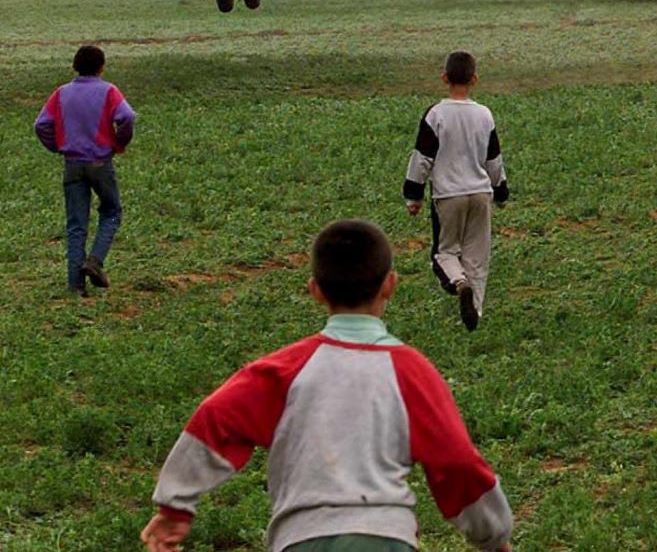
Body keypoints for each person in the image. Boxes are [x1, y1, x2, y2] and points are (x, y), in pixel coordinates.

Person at [140, 219, 514, 552]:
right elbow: (457, 462)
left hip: (301, 537)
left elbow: (214, 420)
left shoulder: (283, 370)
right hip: (386, 537)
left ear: (315, 290)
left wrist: (175, 506)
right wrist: (492, 535)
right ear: (390, 285)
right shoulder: (413, 372)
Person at [403, 51, 509, 332]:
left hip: (449, 195)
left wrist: (413, 195)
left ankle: (460, 284)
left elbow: (422, 158)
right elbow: (493, 159)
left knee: (445, 252)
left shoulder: (436, 114)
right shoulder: (484, 114)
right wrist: (501, 191)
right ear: (475, 79)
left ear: (444, 78)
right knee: (477, 255)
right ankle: (475, 316)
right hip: (481, 193)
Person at [34, 45, 136, 296]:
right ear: (102, 67)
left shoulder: (61, 94)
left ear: (74, 66)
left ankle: (75, 285)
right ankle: (95, 260)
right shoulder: (109, 91)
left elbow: (41, 124)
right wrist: (119, 142)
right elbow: (127, 117)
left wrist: (57, 146)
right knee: (111, 212)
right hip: (101, 163)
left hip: (72, 164)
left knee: (76, 224)